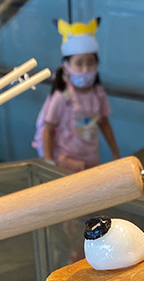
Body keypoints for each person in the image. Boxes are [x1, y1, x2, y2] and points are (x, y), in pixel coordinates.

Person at [34, 18, 120, 172]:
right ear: (66, 67)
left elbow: (104, 122)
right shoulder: (62, 96)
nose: (85, 69)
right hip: (67, 161)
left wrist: (115, 152)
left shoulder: (98, 93)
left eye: (90, 63)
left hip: (91, 159)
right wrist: (48, 162)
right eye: (79, 64)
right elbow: (48, 130)